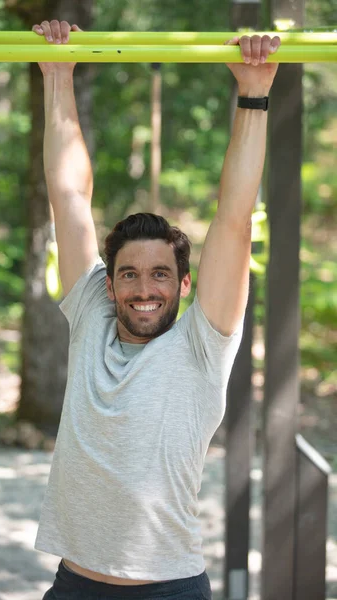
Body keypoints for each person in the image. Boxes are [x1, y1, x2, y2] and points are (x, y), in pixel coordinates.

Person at [32, 19, 281, 600]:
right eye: (130, 274)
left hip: (168, 588)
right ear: (110, 283)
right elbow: (68, 196)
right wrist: (58, 76)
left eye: (160, 275)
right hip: (74, 586)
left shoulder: (202, 342)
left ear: (184, 284)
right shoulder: (91, 315)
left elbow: (234, 219)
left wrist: (253, 93)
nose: (144, 289)